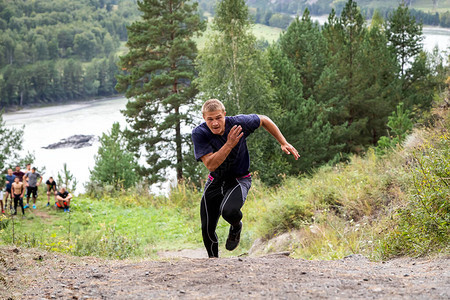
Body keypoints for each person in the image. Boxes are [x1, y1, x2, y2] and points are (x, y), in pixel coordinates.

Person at [191, 99, 300, 258]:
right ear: (204, 118)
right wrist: (229, 144)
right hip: (215, 179)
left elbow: (264, 120)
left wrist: (283, 142)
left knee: (229, 211)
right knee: (207, 227)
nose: (215, 123)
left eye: (218, 118)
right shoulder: (199, 133)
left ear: (224, 115)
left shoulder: (238, 123)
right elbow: (211, 165)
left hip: (239, 179)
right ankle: (213, 263)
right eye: (210, 119)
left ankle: (236, 227)